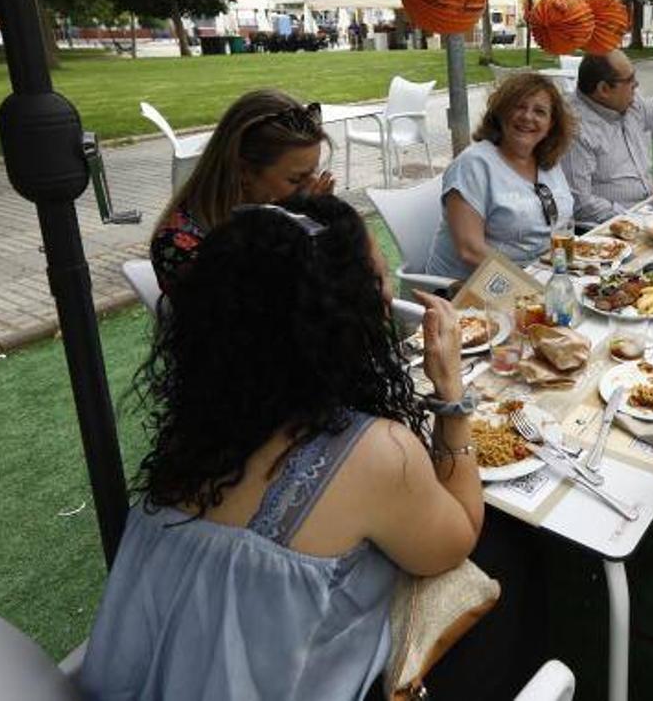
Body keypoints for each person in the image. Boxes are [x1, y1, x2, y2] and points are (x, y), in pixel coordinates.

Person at [79, 197, 483, 701]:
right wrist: (452, 397)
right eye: (376, 282)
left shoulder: (198, 432)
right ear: (341, 315)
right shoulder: (376, 452)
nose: (386, 296)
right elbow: (457, 538)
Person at [149, 90, 333, 292]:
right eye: (296, 179)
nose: (313, 183)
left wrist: (326, 219)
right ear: (243, 171)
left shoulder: (281, 213)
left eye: (314, 171)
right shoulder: (180, 245)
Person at [427, 72, 576, 279]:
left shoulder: (547, 161)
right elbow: (470, 251)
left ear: (551, 125)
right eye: (519, 107)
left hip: (542, 272)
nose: (527, 117)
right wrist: (531, 283)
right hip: (472, 289)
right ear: (501, 112)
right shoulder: (473, 165)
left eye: (540, 112)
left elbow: (563, 223)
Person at [561, 49, 653, 223]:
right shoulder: (573, 127)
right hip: (607, 228)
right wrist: (635, 219)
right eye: (630, 80)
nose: (636, 85)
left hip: (649, 209)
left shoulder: (632, 103)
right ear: (604, 89)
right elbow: (581, 204)